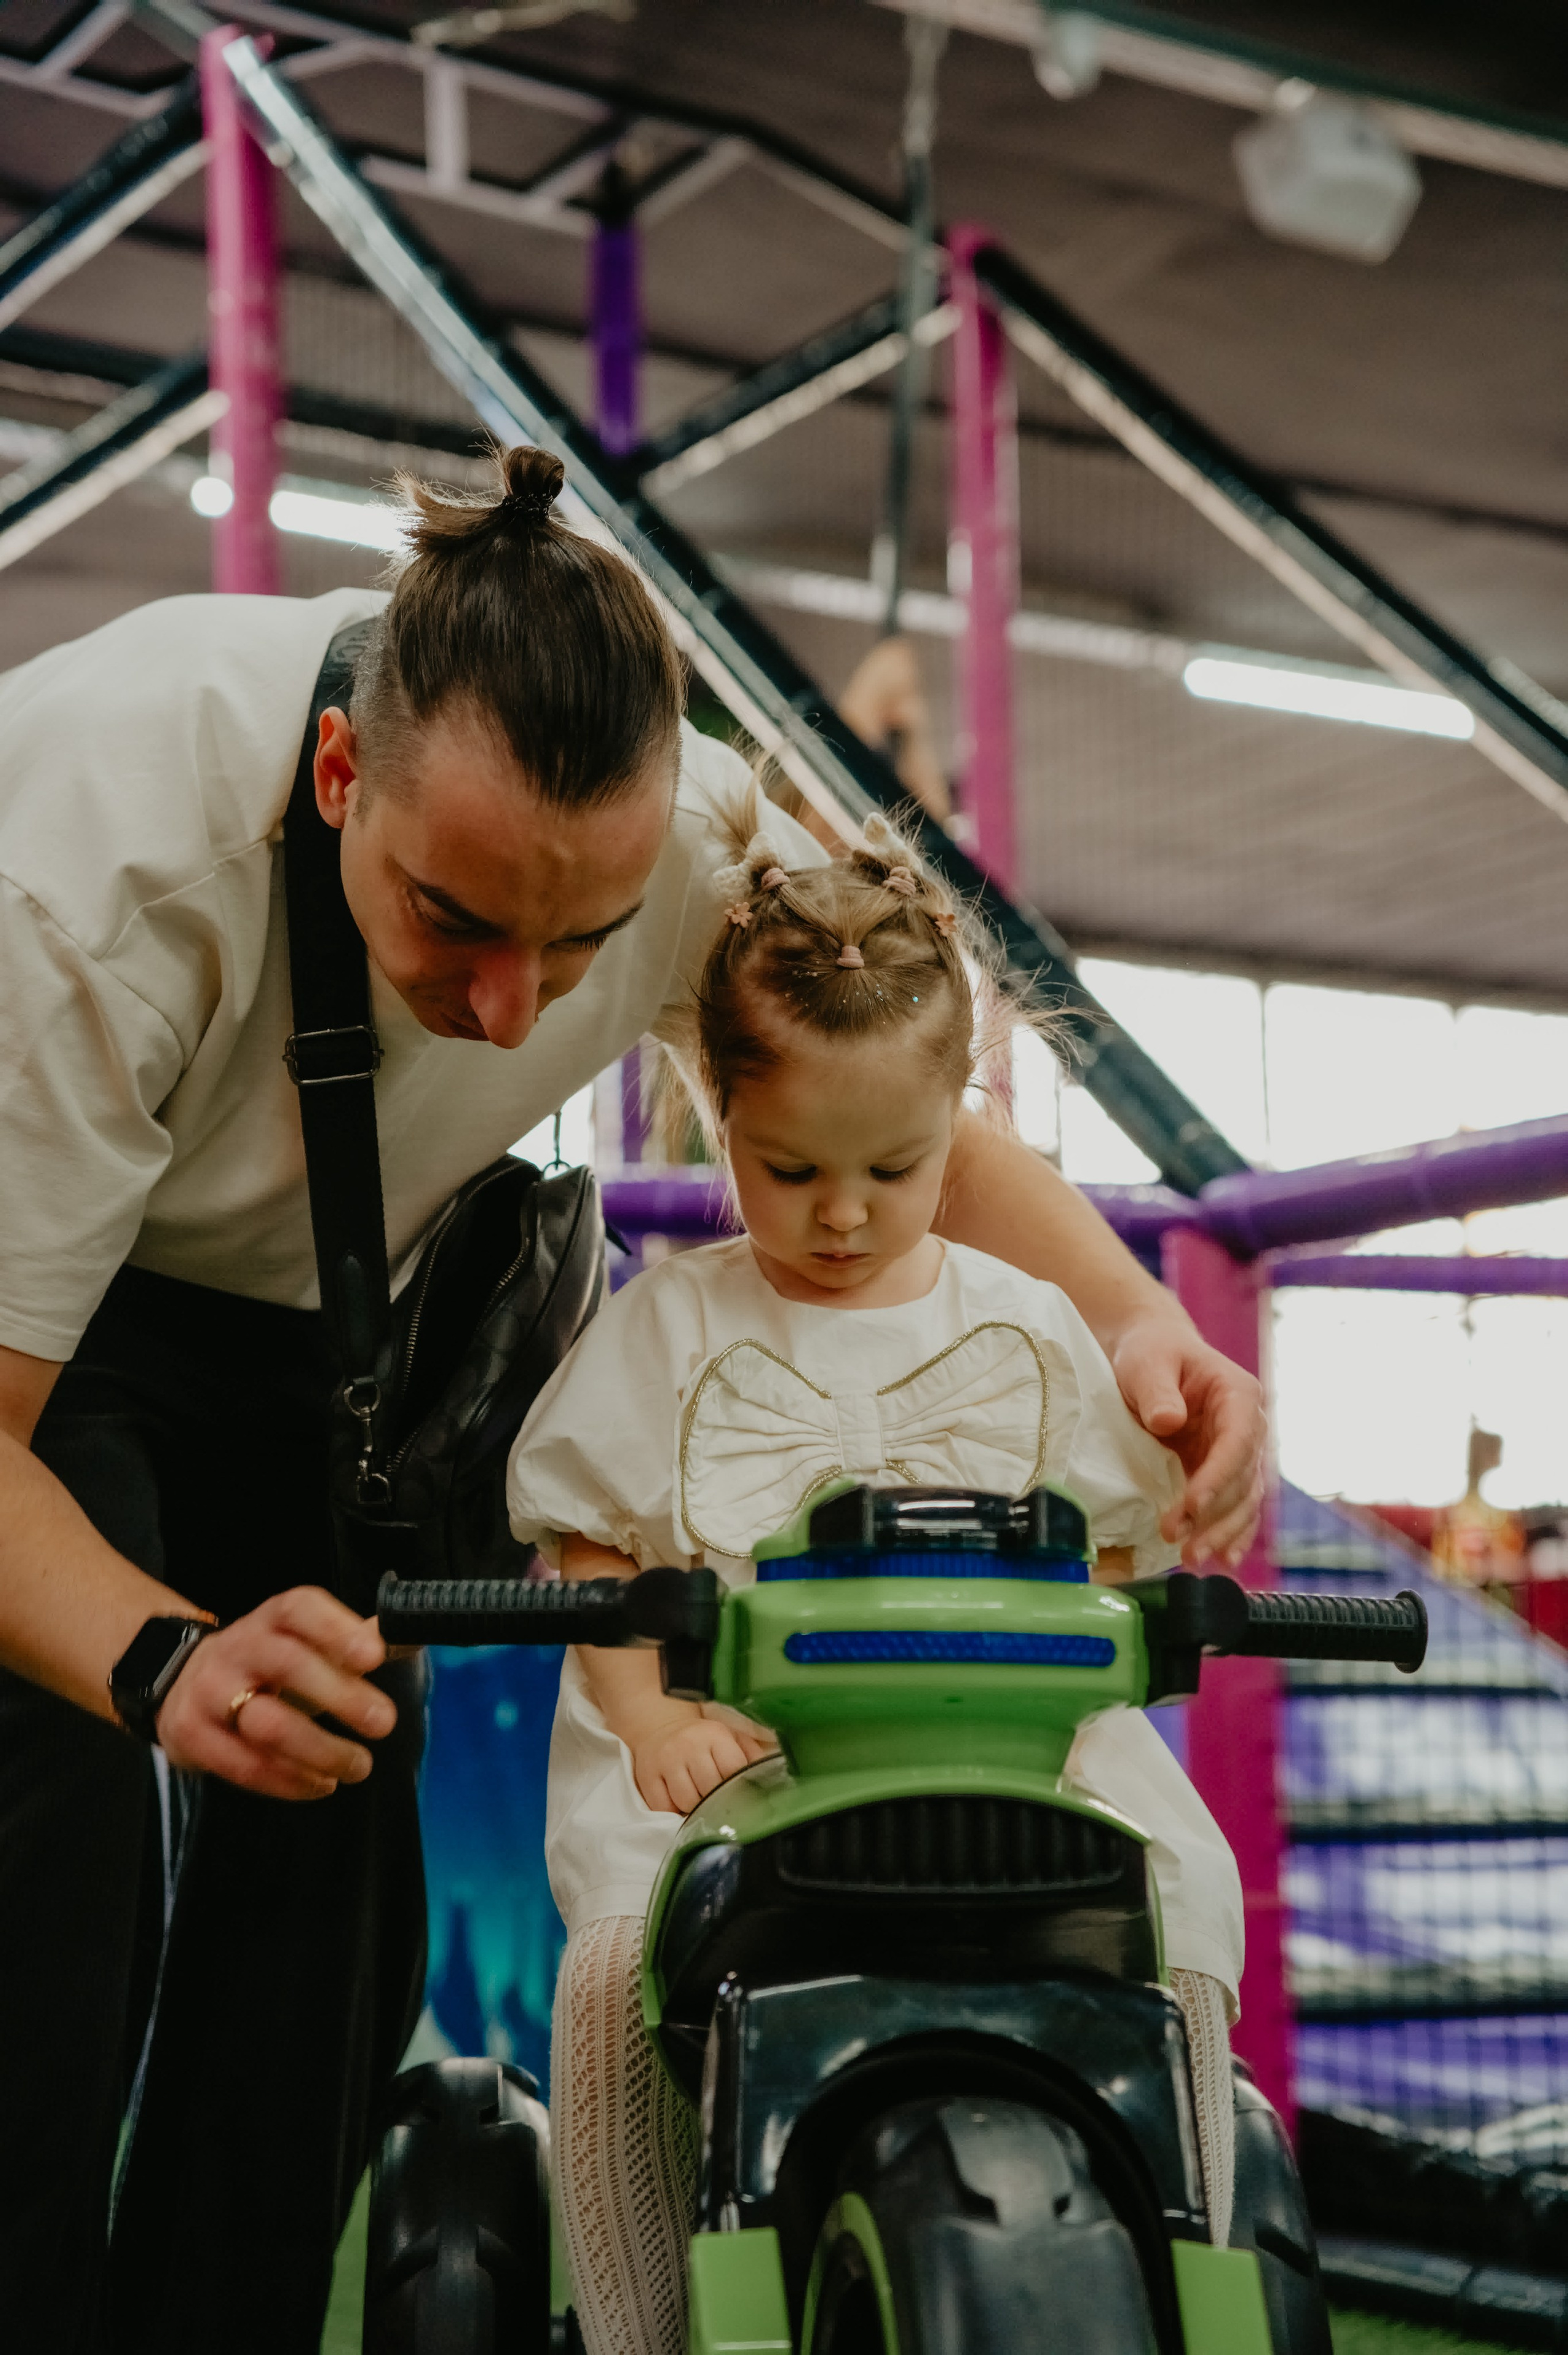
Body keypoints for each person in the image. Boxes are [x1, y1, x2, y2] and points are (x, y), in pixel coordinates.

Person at [0, 442, 1258, 2351]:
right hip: (38, 1298)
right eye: (458, 922)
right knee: (50, 1824)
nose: (517, 1011)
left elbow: (886, 1088)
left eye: (580, 947)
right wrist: (161, 1658)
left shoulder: (696, 841)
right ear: (341, 779)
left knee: (333, 1813)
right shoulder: (87, 865)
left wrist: (1134, 1319)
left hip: (312, 1304)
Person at [505, 812, 1246, 2355]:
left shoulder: (1029, 1322)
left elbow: (1111, 1549)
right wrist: (650, 1721)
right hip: (730, 1756)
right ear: (720, 1117)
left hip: (1011, 1747)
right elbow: (590, 1550)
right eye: (789, 1170)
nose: (840, 1214)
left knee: (1177, 1915)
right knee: (607, 1969)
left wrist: (1116, 1620)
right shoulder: (668, 1328)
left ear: (957, 1126)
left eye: (892, 1168)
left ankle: (1195, 2270)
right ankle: (646, 2324)